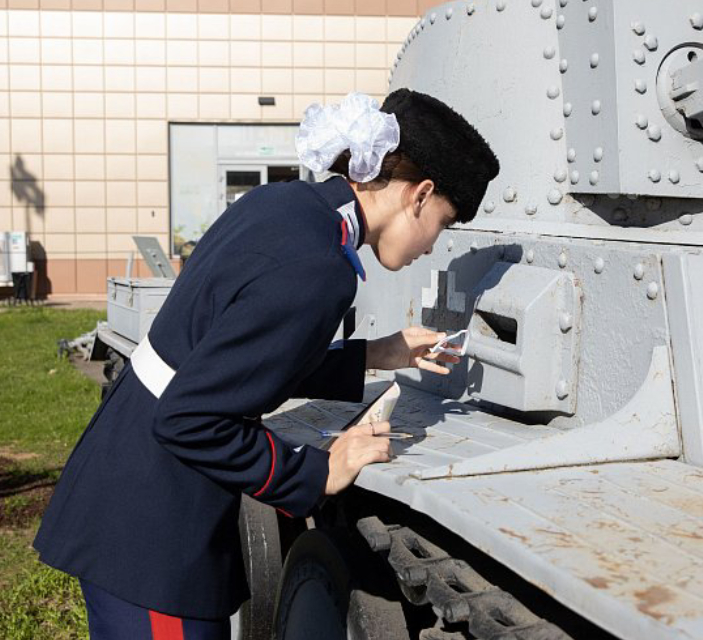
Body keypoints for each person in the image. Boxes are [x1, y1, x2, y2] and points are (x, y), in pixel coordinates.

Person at [34, 89, 500, 640]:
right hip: (156, 535)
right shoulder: (320, 267)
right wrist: (320, 472)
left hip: (126, 486)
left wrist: (376, 353)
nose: (432, 246)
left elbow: (238, 355)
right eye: (444, 223)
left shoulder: (288, 207)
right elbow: (190, 419)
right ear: (419, 195)